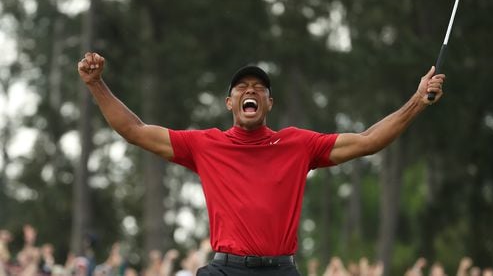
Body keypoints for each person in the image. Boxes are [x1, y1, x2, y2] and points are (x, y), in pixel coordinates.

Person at [78, 52, 445, 276]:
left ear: (269, 103)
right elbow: (135, 130)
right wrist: (96, 84)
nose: (250, 90)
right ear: (229, 102)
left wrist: (417, 101)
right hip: (225, 269)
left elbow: (368, 141)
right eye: (241, 87)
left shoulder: (299, 144)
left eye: (258, 87)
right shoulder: (206, 145)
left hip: (280, 270)